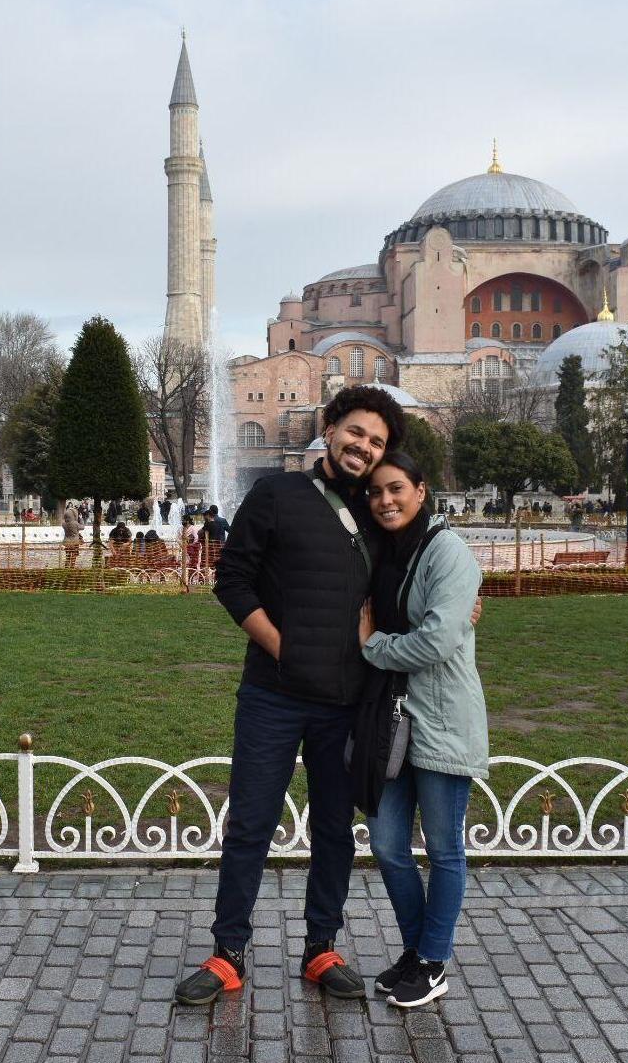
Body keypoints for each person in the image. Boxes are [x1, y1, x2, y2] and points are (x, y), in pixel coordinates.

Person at [174, 386, 407, 1007]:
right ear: (330, 428)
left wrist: (462, 604)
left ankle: (321, 947)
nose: (363, 447)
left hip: (345, 699)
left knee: (334, 828)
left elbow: (412, 582)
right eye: (356, 432)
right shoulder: (277, 494)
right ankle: (228, 952)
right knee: (251, 823)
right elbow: (233, 580)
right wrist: (283, 649)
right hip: (273, 695)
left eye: (377, 442)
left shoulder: (380, 512)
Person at [358, 451, 488, 1008]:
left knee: (443, 848)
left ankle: (433, 961)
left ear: (420, 489)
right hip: (390, 719)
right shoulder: (382, 551)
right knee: (388, 846)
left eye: (395, 489)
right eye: (375, 492)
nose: (385, 500)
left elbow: (436, 641)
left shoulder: (447, 550)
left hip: (441, 717)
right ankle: (417, 952)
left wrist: (373, 645)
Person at [62, 504, 81, 568]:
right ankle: (72, 567)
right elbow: (82, 527)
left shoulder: (64, 524)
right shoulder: (75, 523)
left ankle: (66, 566)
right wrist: (81, 519)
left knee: (68, 555)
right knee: (74, 555)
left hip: (67, 541)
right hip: (74, 542)